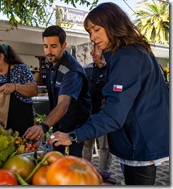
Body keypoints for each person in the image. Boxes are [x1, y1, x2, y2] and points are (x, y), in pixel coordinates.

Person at [46, 2, 169, 185]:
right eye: (90, 32)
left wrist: (73, 136)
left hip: (139, 142)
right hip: (137, 139)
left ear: (112, 23)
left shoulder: (127, 57)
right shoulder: (129, 53)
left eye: (96, 30)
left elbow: (114, 113)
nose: (93, 37)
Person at [23, 25, 92, 157]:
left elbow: (63, 104)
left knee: (71, 165)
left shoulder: (72, 70)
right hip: (59, 123)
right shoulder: (50, 63)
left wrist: (43, 126)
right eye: (45, 46)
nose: (48, 51)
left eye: (53, 46)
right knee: (56, 159)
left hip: (75, 128)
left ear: (63, 45)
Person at [82, 43, 112, 182]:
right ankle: (85, 171)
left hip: (104, 116)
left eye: (96, 50)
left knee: (104, 147)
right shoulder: (88, 69)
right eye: (92, 51)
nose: (93, 53)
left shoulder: (111, 70)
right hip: (89, 115)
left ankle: (104, 175)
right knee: (87, 145)